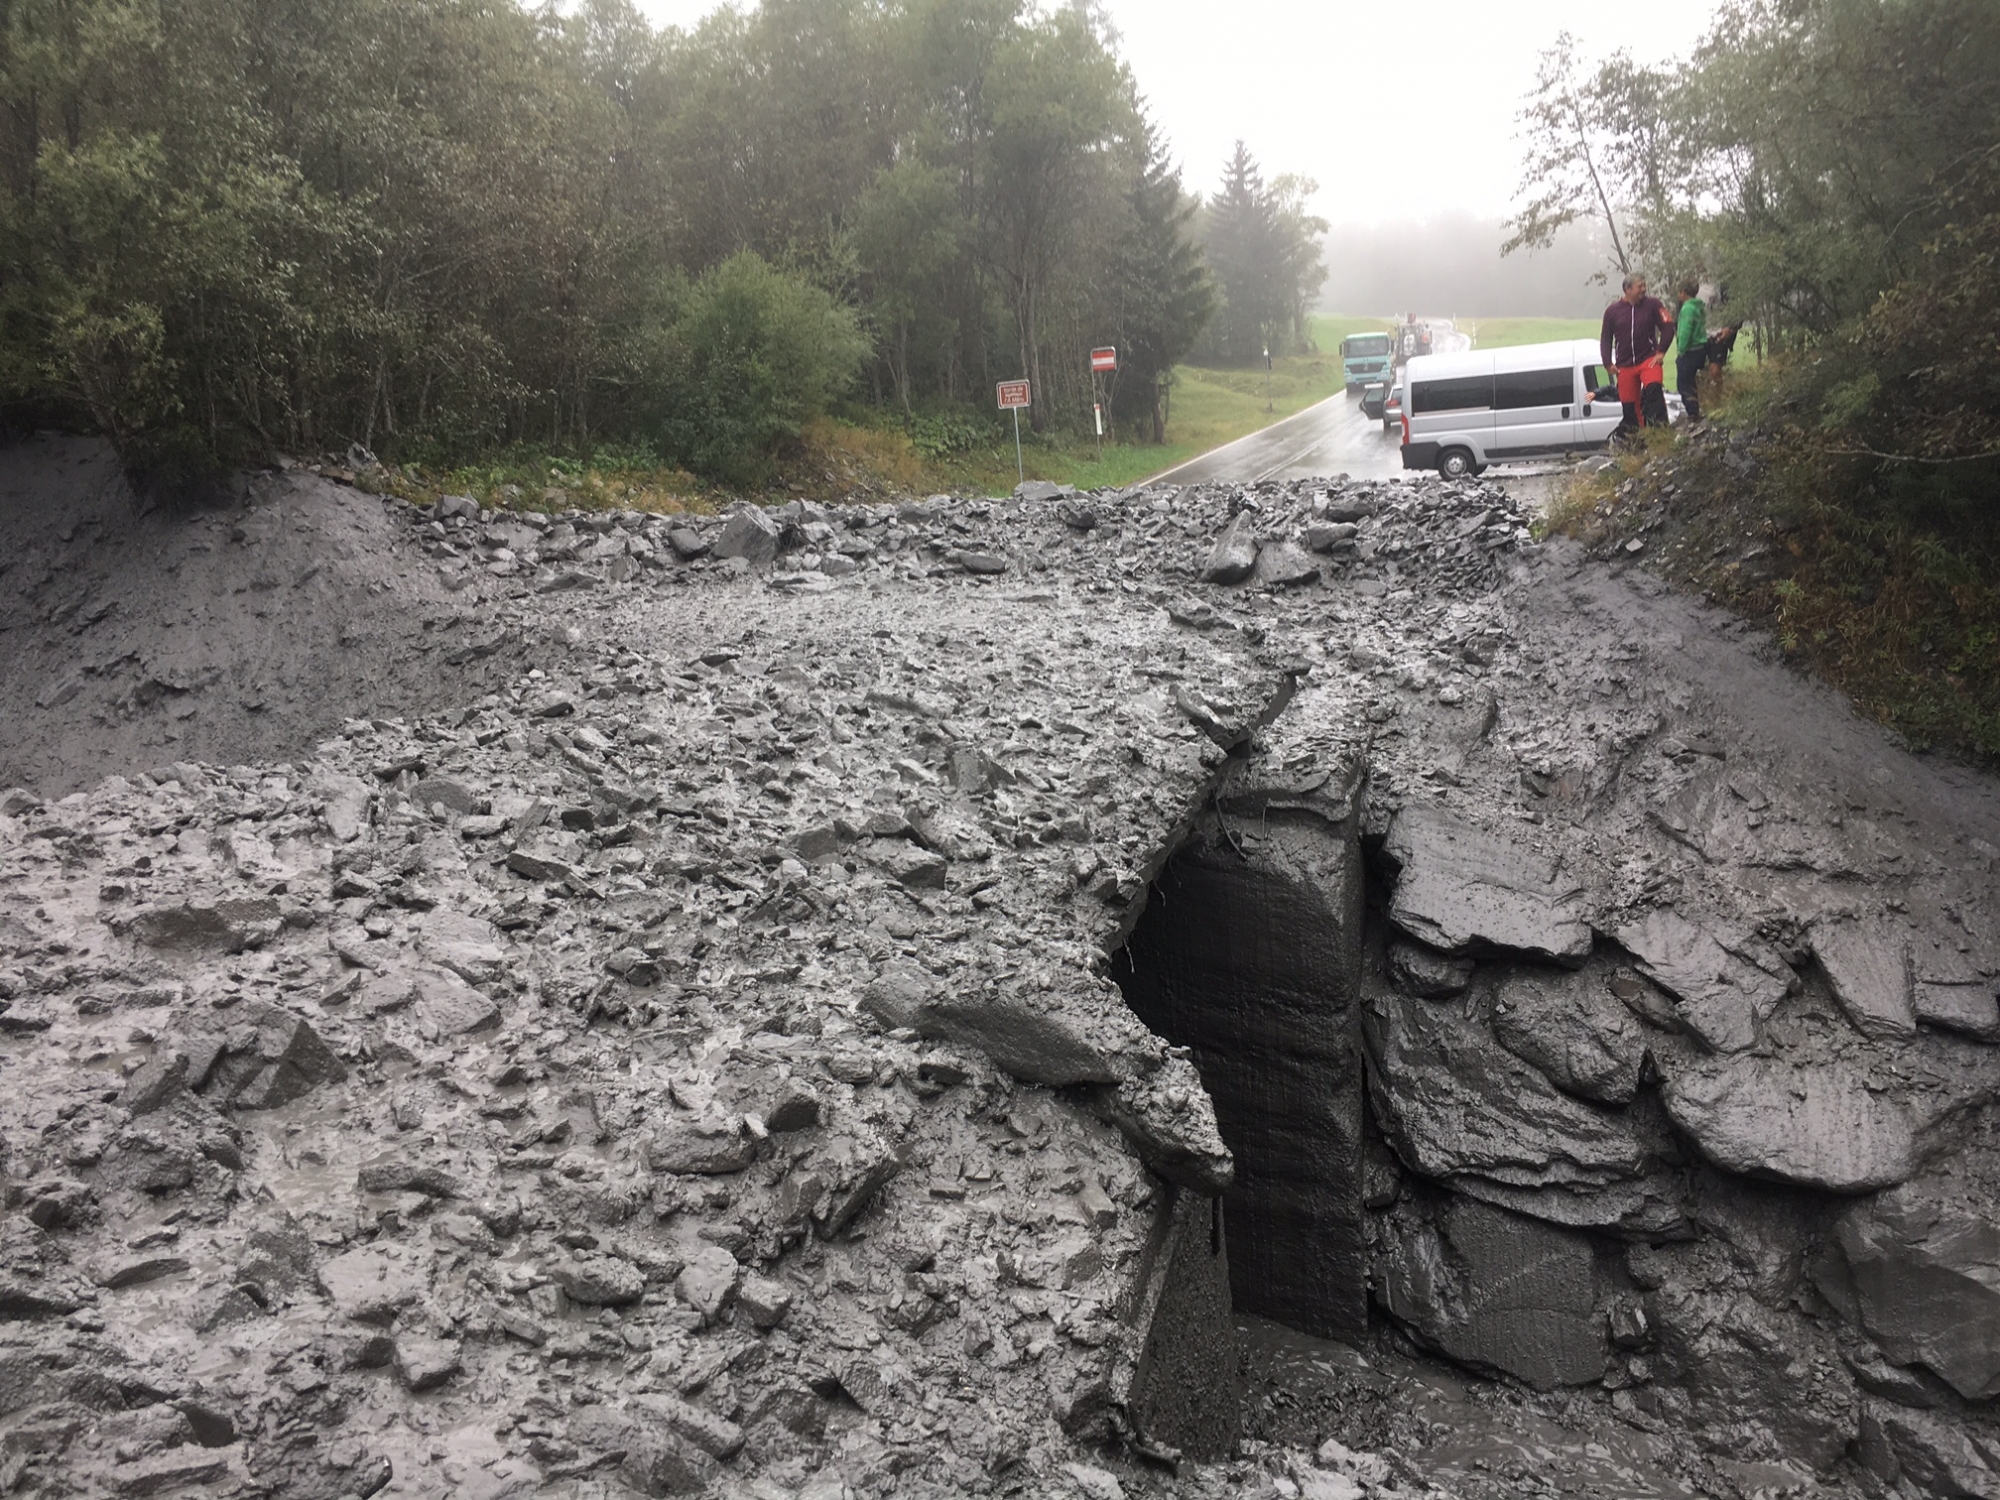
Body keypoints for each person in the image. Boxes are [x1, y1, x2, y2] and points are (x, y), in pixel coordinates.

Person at [1599, 272, 1674, 438]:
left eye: (1644, 285)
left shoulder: (1653, 304)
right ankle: (1638, 440)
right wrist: (1607, 363)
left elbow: (1668, 325)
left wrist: (1661, 351)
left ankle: (1661, 433)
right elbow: (1605, 338)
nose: (1644, 289)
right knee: (1629, 406)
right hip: (1624, 365)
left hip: (1648, 359)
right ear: (1628, 289)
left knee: (1653, 390)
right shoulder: (1612, 311)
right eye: (1640, 286)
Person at [1674, 279, 1709, 421]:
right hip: (1700, 348)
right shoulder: (1698, 306)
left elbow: (1685, 330)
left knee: (1683, 382)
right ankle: (1695, 410)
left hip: (1690, 350)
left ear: (1683, 293)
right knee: (1691, 381)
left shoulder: (1687, 308)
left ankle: (1692, 412)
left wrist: (1681, 349)